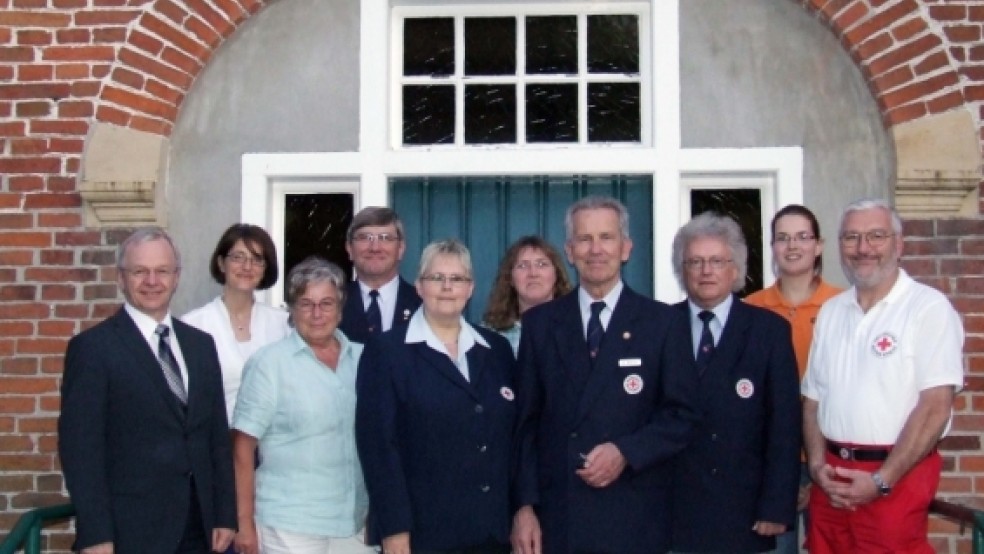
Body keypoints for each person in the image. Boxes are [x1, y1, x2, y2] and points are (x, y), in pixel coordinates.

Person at [512, 196, 701, 554]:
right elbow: (526, 427)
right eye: (584, 239)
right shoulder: (540, 325)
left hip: (635, 514)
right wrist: (524, 508)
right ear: (570, 251)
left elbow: (683, 415)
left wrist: (626, 451)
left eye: (606, 237)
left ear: (626, 248)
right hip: (559, 516)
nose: (595, 249)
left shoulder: (663, 323)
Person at [58, 227, 236, 554]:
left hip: (200, 528)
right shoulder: (93, 349)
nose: (152, 281)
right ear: (121, 278)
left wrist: (225, 513)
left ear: (176, 276)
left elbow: (215, 436)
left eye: (162, 271)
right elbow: (81, 451)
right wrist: (96, 536)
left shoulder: (200, 345)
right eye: (140, 271)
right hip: (131, 531)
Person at [802, 198, 964, 554]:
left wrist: (882, 480)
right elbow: (812, 403)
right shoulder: (831, 312)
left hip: (896, 475)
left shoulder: (928, 308)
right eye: (851, 238)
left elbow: (935, 408)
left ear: (899, 243)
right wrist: (816, 466)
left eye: (876, 236)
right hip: (832, 478)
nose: (863, 249)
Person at [356, 239, 516, 554]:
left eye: (457, 279)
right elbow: (378, 448)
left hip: (493, 532)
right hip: (423, 534)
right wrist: (394, 527)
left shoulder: (497, 350)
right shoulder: (386, 353)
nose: (446, 287)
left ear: (470, 288)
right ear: (419, 286)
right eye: (436, 278)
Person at [669, 212, 801, 553]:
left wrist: (776, 505)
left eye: (716, 260)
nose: (706, 271)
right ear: (682, 270)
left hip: (743, 509)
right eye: (695, 261)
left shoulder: (768, 331)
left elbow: (784, 426)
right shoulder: (659, 326)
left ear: (736, 268)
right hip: (673, 508)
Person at [231, 257, 372, 554]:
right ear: (292, 310)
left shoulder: (364, 361)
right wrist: (244, 524)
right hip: (289, 524)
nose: (317, 313)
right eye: (306, 304)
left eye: (327, 303)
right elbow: (242, 449)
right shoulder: (270, 364)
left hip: (354, 522)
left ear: (340, 308)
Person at [744, 204, 842, 553]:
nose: (792, 246)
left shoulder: (842, 307)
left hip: (831, 462)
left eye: (803, 237)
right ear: (772, 247)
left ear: (819, 245)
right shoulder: (751, 309)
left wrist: (817, 473)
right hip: (769, 464)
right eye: (782, 238)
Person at [182, 223, 290, 422]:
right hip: (218, 442)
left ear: (266, 268)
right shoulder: (194, 325)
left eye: (257, 259)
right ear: (222, 263)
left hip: (274, 443)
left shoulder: (283, 324)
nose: (247, 267)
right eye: (238, 257)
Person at [340, 206, 422, 343]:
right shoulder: (333, 304)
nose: (375, 248)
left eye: (385, 238)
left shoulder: (422, 304)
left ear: (400, 249)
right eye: (364, 237)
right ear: (349, 248)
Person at [483, 235, 573, 354]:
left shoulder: (576, 326)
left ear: (557, 274)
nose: (533, 273)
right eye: (523, 266)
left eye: (541, 264)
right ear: (510, 278)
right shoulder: (489, 334)